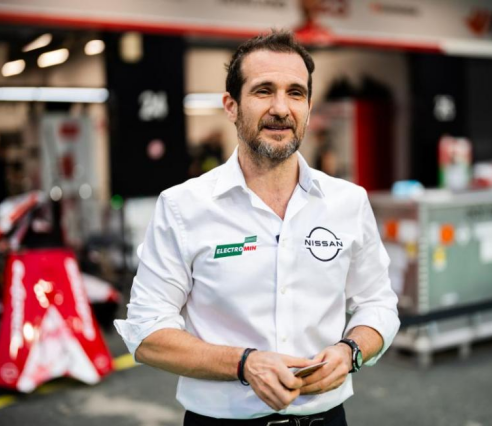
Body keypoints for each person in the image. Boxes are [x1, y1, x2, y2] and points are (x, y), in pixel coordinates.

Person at [115, 30, 399, 425]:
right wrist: (243, 364)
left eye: (295, 93)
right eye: (263, 91)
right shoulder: (183, 207)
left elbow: (378, 303)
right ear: (231, 106)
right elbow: (146, 333)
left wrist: (351, 351)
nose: (281, 108)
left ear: (308, 107)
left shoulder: (347, 202)